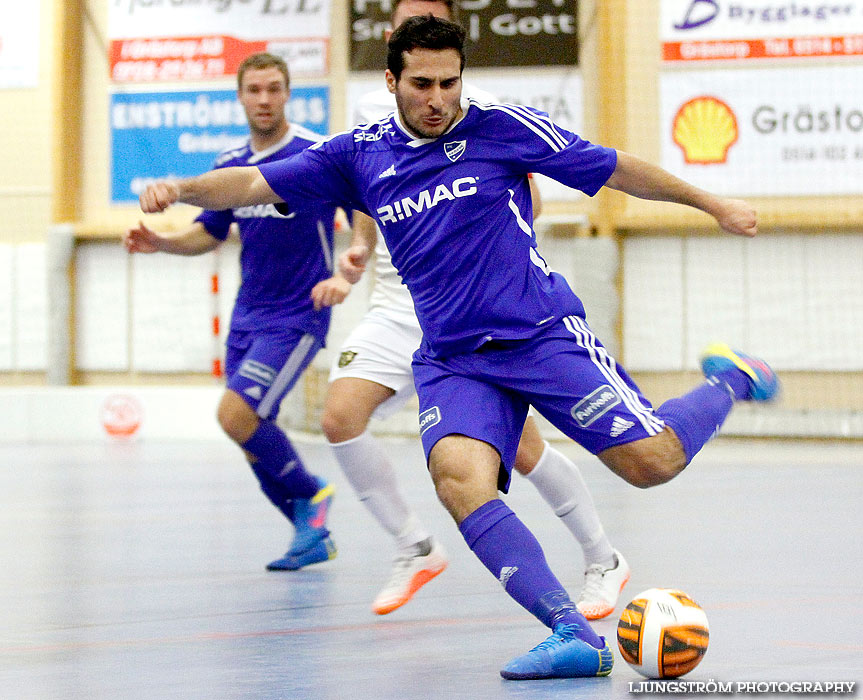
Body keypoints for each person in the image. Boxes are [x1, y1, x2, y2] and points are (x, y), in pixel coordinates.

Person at [137, 17, 779, 680]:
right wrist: (180, 189)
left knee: (651, 463)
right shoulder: (357, 153)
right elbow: (251, 184)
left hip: (539, 334)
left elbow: (613, 168)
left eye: (449, 82)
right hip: (451, 357)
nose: (437, 97)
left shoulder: (501, 127)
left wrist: (710, 202)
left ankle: (730, 379)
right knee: (458, 481)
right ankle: (570, 633)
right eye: (421, 84)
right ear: (392, 81)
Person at [322, 0, 629, 620]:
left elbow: (527, 194)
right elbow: (366, 184)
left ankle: (603, 555)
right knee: (338, 414)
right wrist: (358, 245)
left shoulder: (477, 107)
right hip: (395, 302)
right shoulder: (369, 109)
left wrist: (490, 264)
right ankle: (415, 547)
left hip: (475, 312)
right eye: (403, 17)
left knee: (521, 451)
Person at [125, 53, 349, 572]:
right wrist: (160, 243)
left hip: (299, 314)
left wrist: (347, 270)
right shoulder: (230, 165)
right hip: (248, 315)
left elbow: (361, 205)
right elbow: (210, 233)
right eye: (254, 90)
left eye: (274, 88)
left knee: (235, 414)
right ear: (241, 96)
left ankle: (313, 493)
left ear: (288, 93)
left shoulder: (313, 153)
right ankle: (310, 534)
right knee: (248, 434)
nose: (264, 99)